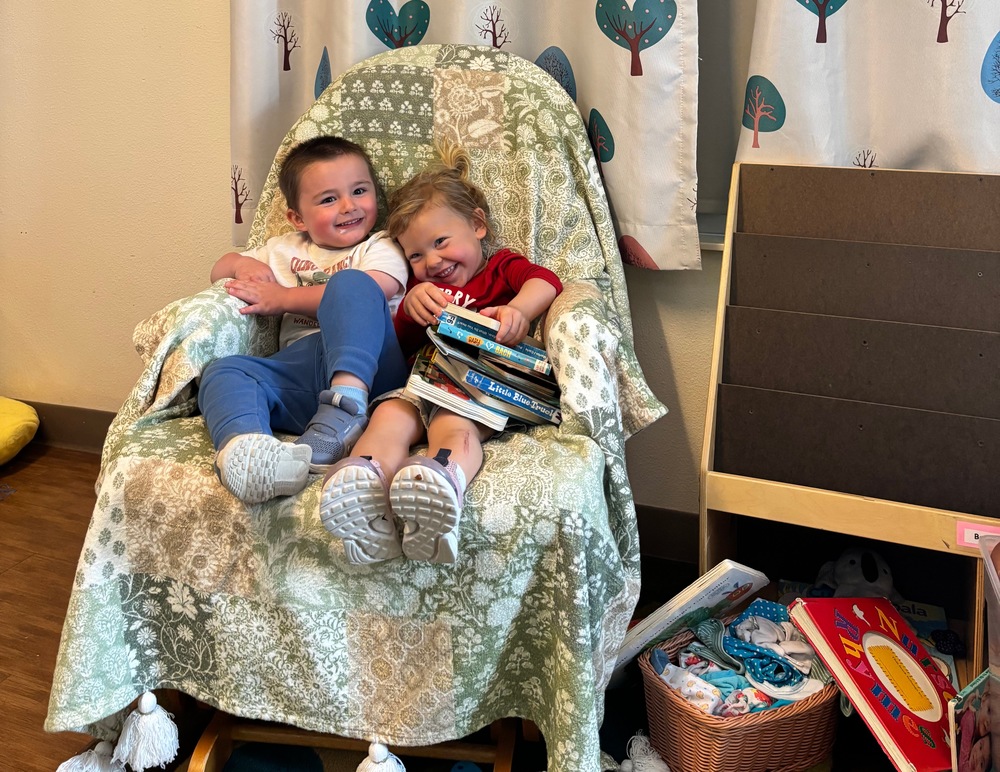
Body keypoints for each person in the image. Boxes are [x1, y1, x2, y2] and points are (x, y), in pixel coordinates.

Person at [318, 143, 563, 565]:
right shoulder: (421, 292)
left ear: (478, 226)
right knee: (388, 416)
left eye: (441, 242)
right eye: (415, 255)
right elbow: (395, 349)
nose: (432, 260)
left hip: (474, 390)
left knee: (452, 424)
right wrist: (410, 313)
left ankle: (442, 479)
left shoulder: (501, 269)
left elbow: (546, 280)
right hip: (419, 384)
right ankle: (364, 485)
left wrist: (518, 311)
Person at [198, 136, 409, 504]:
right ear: (297, 217)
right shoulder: (283, 248)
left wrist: (283, 299)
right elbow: (219, 269)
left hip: (372, 372)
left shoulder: (380, 245)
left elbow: (379, 288)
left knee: (352, 284)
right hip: (301, 373)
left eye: (360, 191)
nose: (349, 206)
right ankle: (250, 453)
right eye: (329, 199)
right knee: (224, 371)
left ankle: (346, 403)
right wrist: (243, 264)